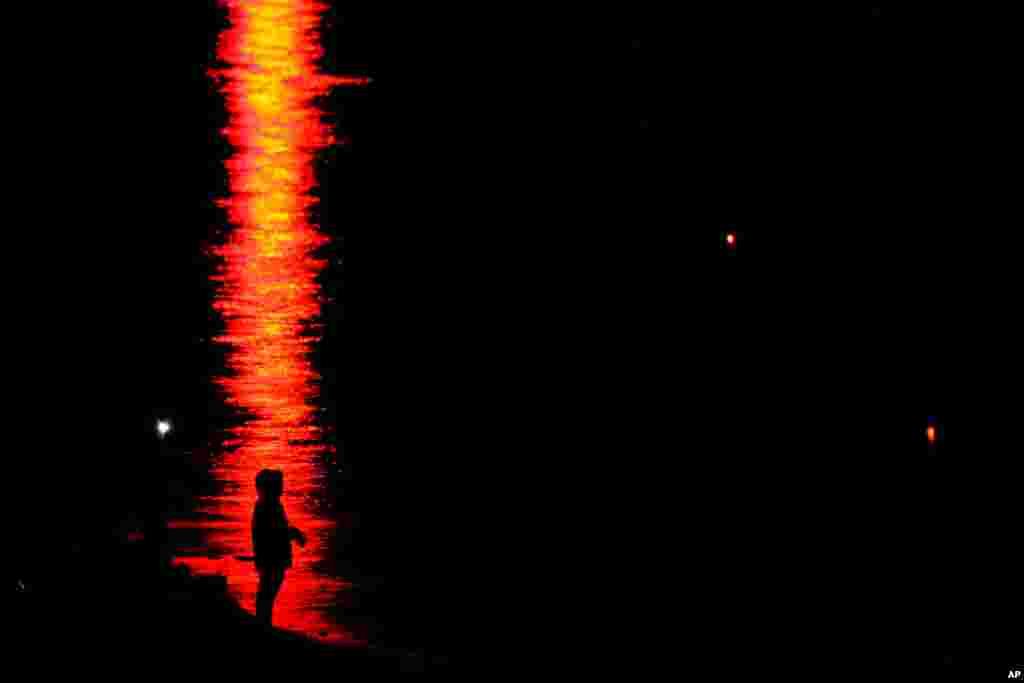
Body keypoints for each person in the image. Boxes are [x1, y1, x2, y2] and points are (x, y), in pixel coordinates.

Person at [252, 469, 306, 626]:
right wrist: (293, 533)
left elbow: (276, 530)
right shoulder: (268, 506)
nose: (282, 488)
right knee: (267, 594)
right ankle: (263, 625)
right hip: (272, 559)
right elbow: (274, 532)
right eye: (279, 485)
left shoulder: (267, 505)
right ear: (271, 487)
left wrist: (291, 533)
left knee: (266, 594)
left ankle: (263, 623)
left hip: (270, 558)